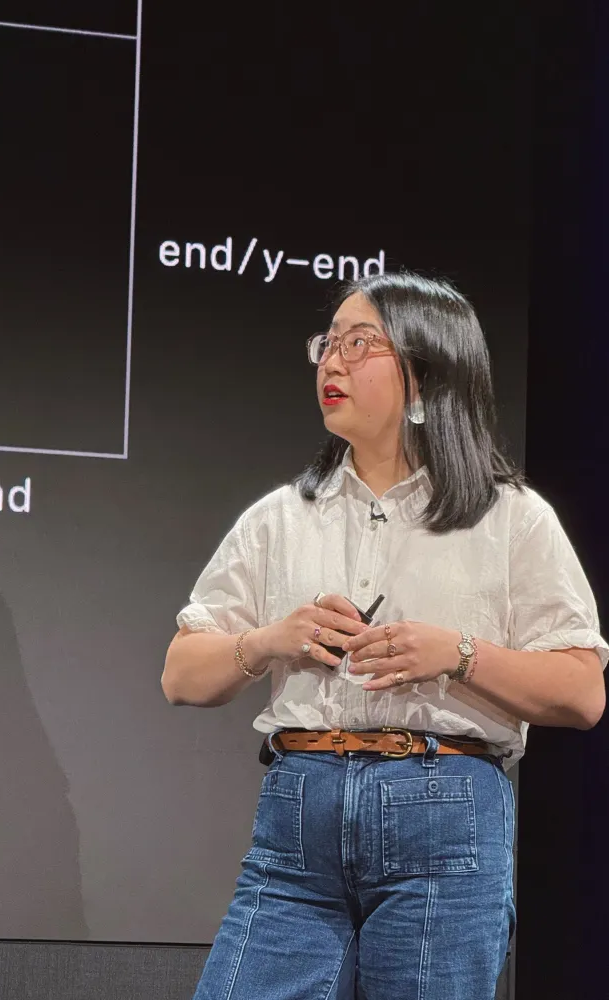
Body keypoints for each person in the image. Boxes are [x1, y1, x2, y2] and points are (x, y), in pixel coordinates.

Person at [162, 272, 607, 1000]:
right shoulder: (281, 517)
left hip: (445, 812)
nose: (331, 363)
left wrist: (458, 655)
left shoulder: (510, 518)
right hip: (301, 812)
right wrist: (271, 640)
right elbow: (181, 675)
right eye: (328, 343)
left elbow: (582, 692)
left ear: (426, 371)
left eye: (359, 343)